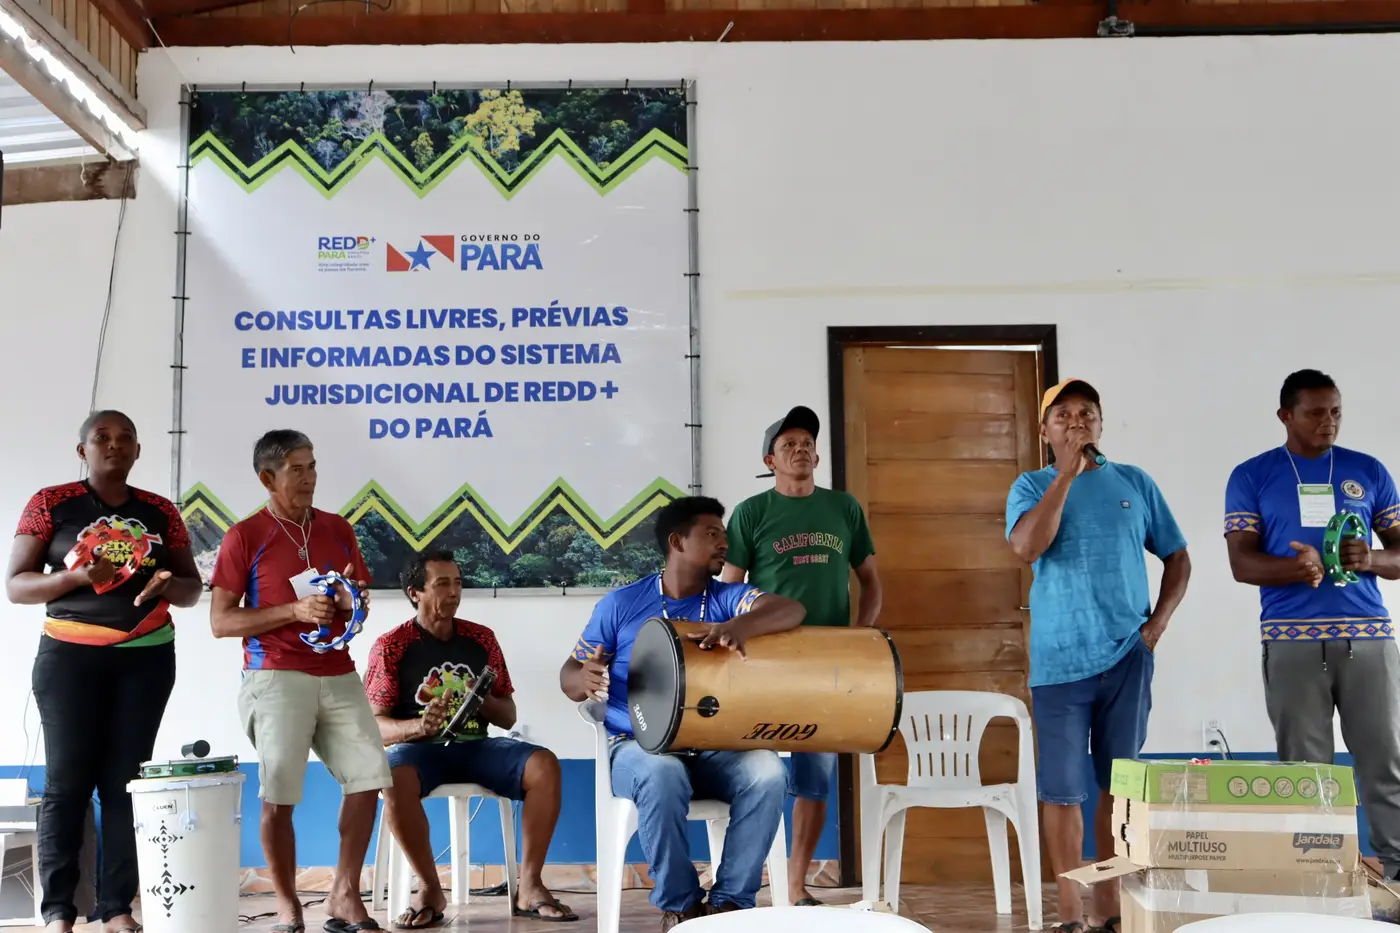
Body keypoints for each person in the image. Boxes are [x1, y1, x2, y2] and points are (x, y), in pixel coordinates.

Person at [558, 496, 806, 931]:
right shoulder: (621, 604)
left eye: (724, 535)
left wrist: (738, 626)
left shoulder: (729, 600)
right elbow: (569, 673)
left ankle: (729, 907)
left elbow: (791, 610)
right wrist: (582, 678)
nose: (724, 544)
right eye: (711, 534)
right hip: (637, 747)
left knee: (768, 771)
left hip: (715, 749)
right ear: (677, 542)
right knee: (662, 772)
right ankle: (683, 909)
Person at [6, 410, 203, 933]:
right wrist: (74, 578)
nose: (114, 444)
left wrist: (166, 584)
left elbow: (191, 590)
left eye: (125, 438)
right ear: (83, 450)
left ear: (138, 450)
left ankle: (117, 908)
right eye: (102, 437)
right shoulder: (50, 503)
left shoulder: (159, 511)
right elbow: (17, 585)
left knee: (125, 783)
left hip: (146, 658)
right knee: (66, 784)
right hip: (69, 658)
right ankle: (58, 912)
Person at [1006, 379, 1190, 933]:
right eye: (1062, 415)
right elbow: (1027, 546)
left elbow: (1178, 557)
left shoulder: (1135, 482)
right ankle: (1070, 912)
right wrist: (1066, 474)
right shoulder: (1031, 484)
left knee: (1119, 787)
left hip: (1128, 657)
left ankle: (1109, 908)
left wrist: (1155, 628)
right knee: (1063, 790)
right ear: (1044, 430)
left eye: (1086, 412)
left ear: (1102, 423)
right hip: (1060, 663)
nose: (1076, 422)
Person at [208, 429, 390, 933]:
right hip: (275, 675)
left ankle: (344, 894)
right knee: (279, 797)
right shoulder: (245, 536)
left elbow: (354, 600)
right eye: (297, 469)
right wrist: (293, 610)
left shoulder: (337, 528)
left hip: (338, 670)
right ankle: (288, 905)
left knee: (370, 777)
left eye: (312, 467)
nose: (310, 478)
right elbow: (221, 622)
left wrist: (352, 604)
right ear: (268, 478)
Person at [1224, 369, 1400, 881]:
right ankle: (1320, 881)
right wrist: (1297, 569)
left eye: (1336, 412)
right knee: (1307, 773)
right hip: (1292, 642)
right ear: (1286, 415)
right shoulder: (1253, 475)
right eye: (1316, 412)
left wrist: (1370, 558)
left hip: (1369, 640)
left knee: (1385, 763)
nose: (1329, 422)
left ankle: (1397, 873)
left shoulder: (1367, 470)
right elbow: (1241, 563)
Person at [719, 405, 880, 907]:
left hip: (827, 665)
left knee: (816, 775)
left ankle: (794, 883)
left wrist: (860, 638)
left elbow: (871, 582)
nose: (801, 449)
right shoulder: (750, 512)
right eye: (788, 444)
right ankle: (737, 880)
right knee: (754, 770)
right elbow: (729, 590)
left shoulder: (844, 508)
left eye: (807, 442)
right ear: (770, 460)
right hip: (765, 663)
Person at [363, 551, 576, 928]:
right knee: (392, 776)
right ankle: (430, 889)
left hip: (478, 746)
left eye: (458, 583)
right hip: (418, 750)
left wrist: (481, 699)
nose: (454, 592)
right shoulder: (392, 645)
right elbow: (374, 726)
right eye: (442, 584)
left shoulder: (481, 638)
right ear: (415, 593)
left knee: (544, 765)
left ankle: (530, 886)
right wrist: (419, 727)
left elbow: (508, 716)